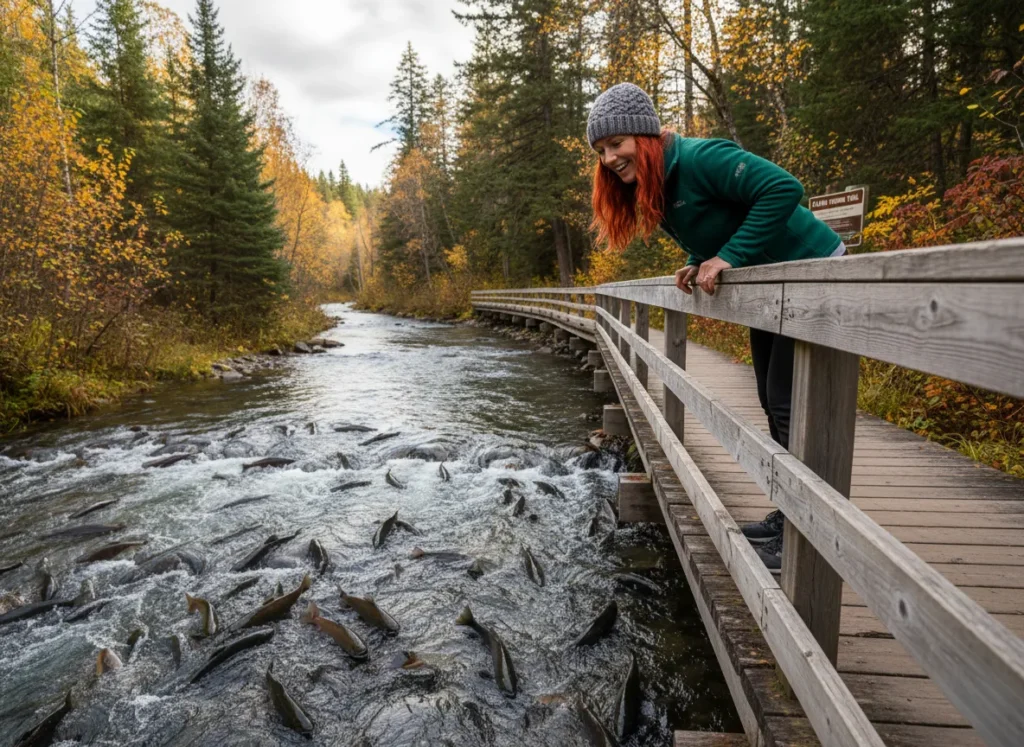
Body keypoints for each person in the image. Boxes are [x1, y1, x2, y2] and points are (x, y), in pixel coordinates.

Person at [586, 83, 844, 572]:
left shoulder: (701, 158)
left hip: (813, 276)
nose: (610, 158)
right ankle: (791, 518)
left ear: (642, 134)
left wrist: (729, 257)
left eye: (615, 143)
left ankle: (803, 542)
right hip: (775, 288)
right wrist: (696, 259)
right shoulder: (660, 181)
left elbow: (783, 189)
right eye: (601, 151)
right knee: (773, 401)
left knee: (791, 406)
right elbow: (718, 221)